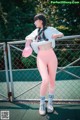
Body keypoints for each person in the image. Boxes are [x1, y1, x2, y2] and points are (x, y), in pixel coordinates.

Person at [25, 13, 64, 115]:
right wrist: (27, 46)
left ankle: (50, 103)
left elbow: (61, 34)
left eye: (35, 20)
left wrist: (57, 35)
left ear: (40, 20)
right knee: (45, 79)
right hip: (41, 57)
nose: (34, 22)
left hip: (51, 56)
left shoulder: (50, 29)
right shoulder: (35, 32)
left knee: (52, 81)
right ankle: (42, 103)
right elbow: (28, 38)